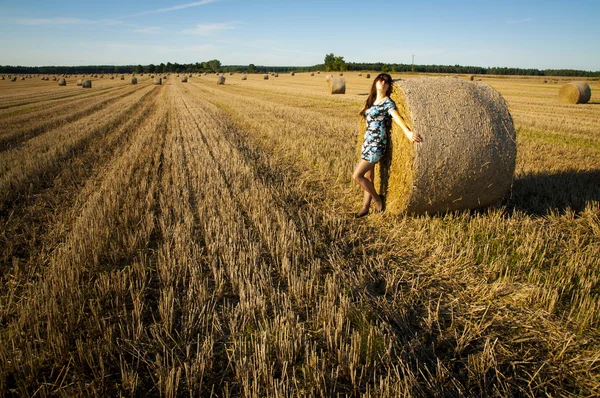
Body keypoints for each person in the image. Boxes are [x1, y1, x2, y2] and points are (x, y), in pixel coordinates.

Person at [353, 73, 422, 218]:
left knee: (357, 175)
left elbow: (397, 118)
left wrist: (408, 132)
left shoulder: (388, 103)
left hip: (376, 144)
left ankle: (378, 199)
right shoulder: (371, 101)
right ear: (376, 82)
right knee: (368, 176)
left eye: (386, 81)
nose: (383, 82)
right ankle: (365, 207)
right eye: (380, 79)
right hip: (367, 143)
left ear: (389, 86)